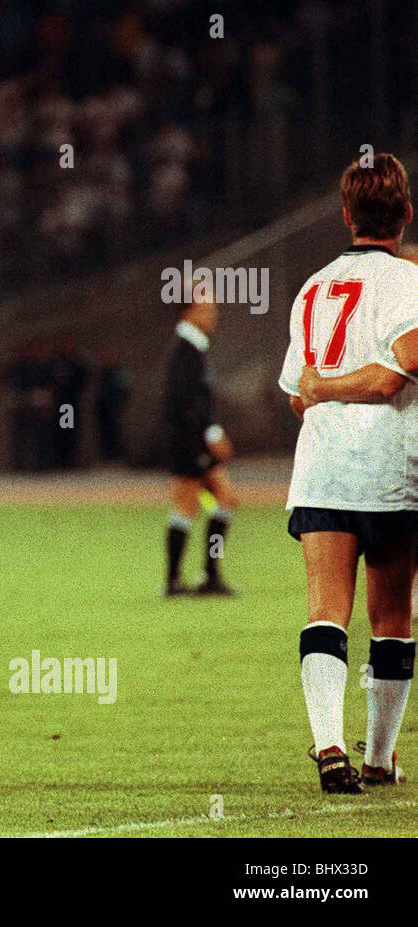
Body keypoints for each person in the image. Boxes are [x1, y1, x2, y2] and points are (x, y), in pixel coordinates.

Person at [283, 153, 418, 792]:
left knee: (324, 611)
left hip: (323, 471)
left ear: (345, 215)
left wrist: (323, 390)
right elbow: (401, 371)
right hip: (391, 473)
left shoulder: (312, 286)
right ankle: (378, 759)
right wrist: (342, 385)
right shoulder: (409, 282)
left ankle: (329, 744)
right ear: (406, 215)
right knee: (391, 616)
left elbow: (296, 391)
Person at [161, 294, 238, 597]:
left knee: (224, 500)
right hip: (188, 441)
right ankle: (178, 580)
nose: (213, 313)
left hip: (193, 440)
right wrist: (212, 434)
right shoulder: (184, 350)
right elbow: (181, 403)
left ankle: (204, 575)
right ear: (186, 312)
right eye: (205, 308)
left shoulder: (193, 347)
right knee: (188, 505)